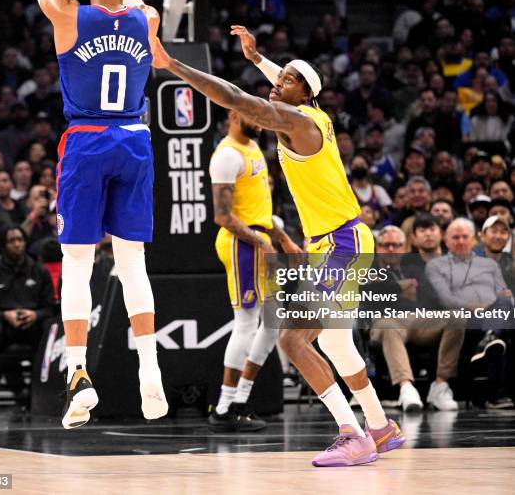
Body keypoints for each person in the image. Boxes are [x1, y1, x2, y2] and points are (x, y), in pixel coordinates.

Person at [151, 26, 404, 467]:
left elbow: (234, 99)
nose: (276, 82)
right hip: (341, 238)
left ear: (304, 94)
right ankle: (380, 428)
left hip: (340, 243)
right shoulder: (314, 115)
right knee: (338, 347)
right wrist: (257, 59)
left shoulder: (297, 121)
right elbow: (285, 88)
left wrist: (172, 65)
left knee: (292, 339)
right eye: (280, 75)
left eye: (286, 79)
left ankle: (353, 435)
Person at [33, 0, 167, 428]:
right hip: (135, 140)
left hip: (87, 140)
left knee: (79, 262)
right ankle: (150, 370)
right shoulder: (147, 20)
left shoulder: (68, 14)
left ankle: (78, 372)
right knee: (132, 260)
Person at [208, 110, 300, 432]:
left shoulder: (253, 148)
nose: (261, 123)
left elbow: (260, 210)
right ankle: (223, 408)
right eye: (255, 116)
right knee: (246, 322)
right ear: (234, 114)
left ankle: (240, 400)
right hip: (240, 243)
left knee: (272, 323)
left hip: (260, 239)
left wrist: (283, 238)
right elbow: (223, 216)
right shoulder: (227, 156)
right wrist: (260, 243)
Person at [370, 221, 463, 412]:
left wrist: (393, 289)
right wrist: (399, 287)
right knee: (389, 325)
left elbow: (430, 296)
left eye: (396, 245)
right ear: (377, 247)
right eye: (386, 245)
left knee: (457, 317)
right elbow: (370, 295)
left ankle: (440, 385)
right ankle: (406, 388)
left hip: (418, 318)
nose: (391, 249)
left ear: (404, 248)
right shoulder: (368, 266)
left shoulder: (414, 266)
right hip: (385, 320)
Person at [426, 218, 514, 409]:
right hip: (462, 319)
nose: (460, 241)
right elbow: (446, 299)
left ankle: (490, 338)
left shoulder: (489, 265)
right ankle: (495, 394)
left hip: (492, 315)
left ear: (474, 239)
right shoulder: (436, 266)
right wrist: (472, 306)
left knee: (506, 304)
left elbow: (503, 292)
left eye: (465, 237)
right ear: (446, 241)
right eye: (455, 237)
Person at [0, 227, 57, 414]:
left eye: (20, 239)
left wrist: (36, 315)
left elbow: (51, 307)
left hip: (33, 326)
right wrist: (4, 315)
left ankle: (51, 388)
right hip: (4, 327)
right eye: (12, 241)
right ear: (4, 245)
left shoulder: (39, 271)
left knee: (50, 326)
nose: (17, 244)